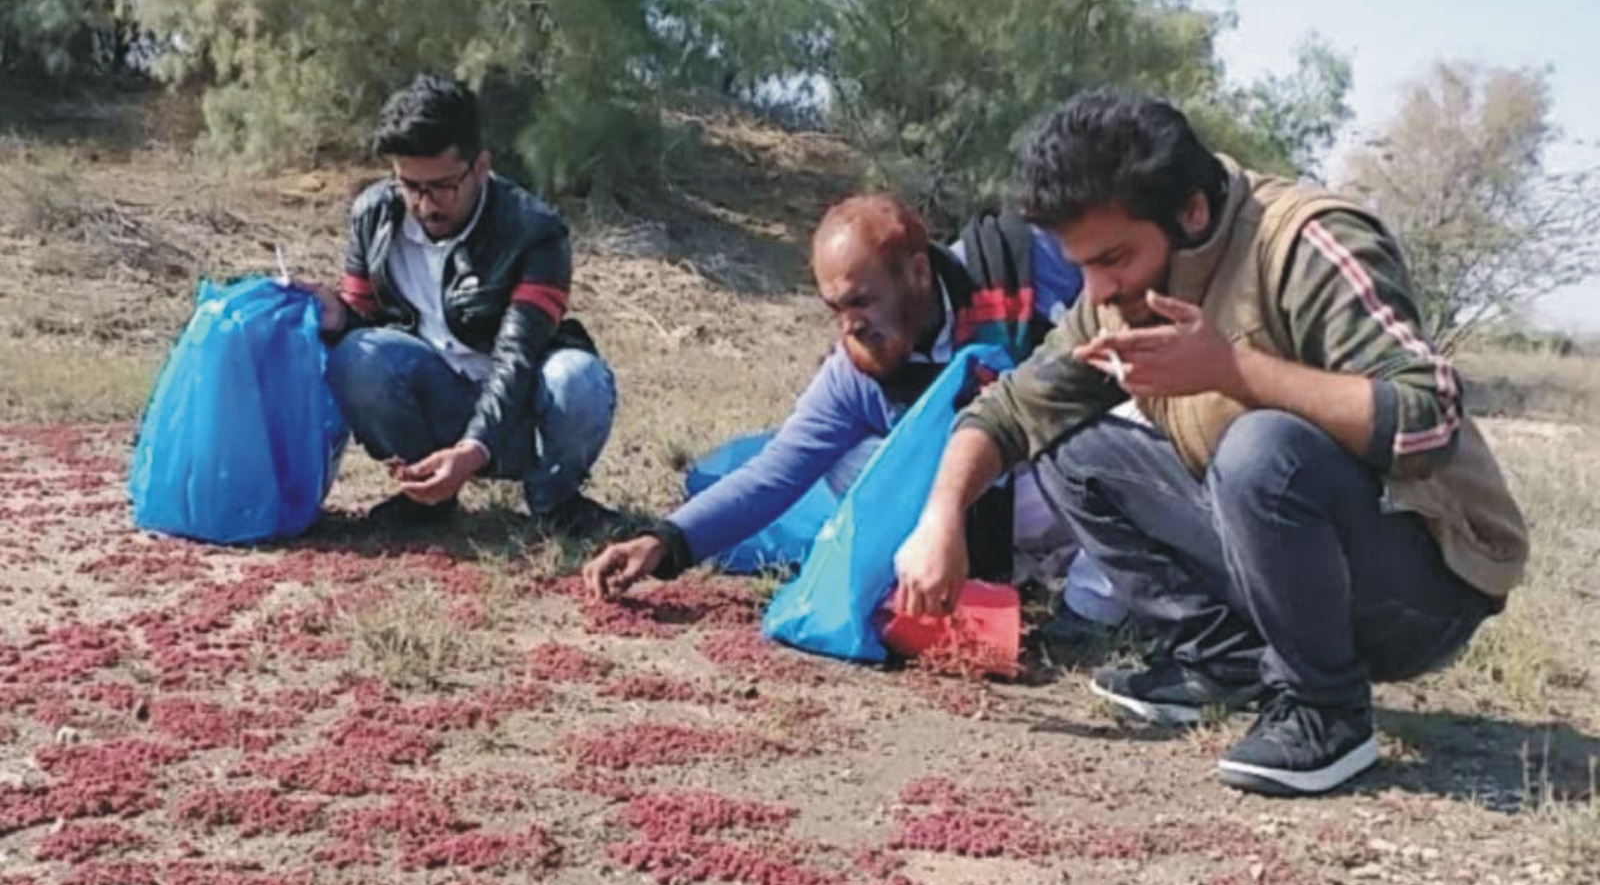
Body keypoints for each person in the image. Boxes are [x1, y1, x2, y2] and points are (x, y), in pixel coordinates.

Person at [893, 90, 1528, 797]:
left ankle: (1327, 710)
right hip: (1287, 557)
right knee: (1074, 448)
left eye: (1115, 259)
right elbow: (1013, 410)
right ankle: (1219, 661)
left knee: (1262, 448)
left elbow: (1429, 418)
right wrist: (941, 514)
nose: (1098, 289)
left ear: (1192, 211)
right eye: (1082, 268)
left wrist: (1233, 369)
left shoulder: (1307, 242)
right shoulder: (1117, 292)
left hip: (1422, 584)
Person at [582, 193, 1128, 628]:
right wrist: (664, 542)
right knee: (850, 464)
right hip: (967, 511)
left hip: (1063, 473)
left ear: (916, 273)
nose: (849, 326)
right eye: (835, 309)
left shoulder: (1021, 265)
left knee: (1105, 435)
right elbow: (775, 472)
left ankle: (1094, 602)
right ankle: (998, 570)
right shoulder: (855, 372)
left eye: (861, 301)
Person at [303, 75, 617, 532]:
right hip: (438, 398)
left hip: (520, 411)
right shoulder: (372, 216)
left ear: (481, 166)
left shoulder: (535, 230)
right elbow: (364, 319)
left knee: (578, 379)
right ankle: (426, 496)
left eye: (443, 186)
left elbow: (518, 356)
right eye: (409, 185)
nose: (425, 204)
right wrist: (337, 315)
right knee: (357, 355)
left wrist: (473, 450)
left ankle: (556, 504)